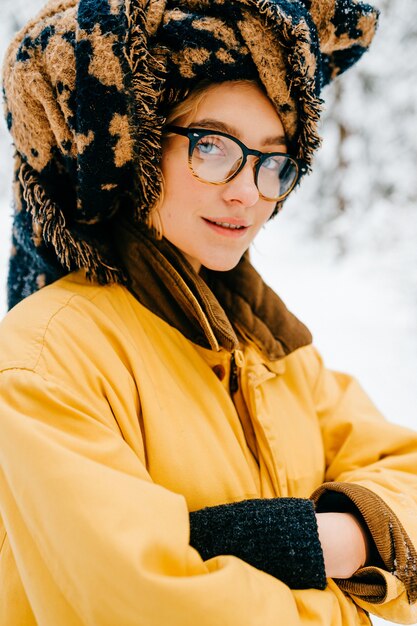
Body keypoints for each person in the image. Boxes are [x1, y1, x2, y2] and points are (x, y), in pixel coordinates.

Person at [0, 0, 416, 624]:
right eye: (214, 146)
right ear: (134, 154)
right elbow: (150, 606)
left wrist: (325, 538)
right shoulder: (46, 362)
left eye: (273, 160)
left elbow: (405, 470)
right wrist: (346, 603)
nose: (249, 192)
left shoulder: (265, 343)